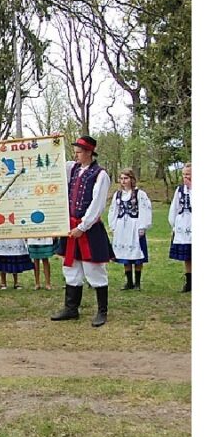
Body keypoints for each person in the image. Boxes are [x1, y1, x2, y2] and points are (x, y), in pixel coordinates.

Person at [52, 135, 114, 327]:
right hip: (71, 228)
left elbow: (97, 204)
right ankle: (71, 309)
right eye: (75, 151)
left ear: (89, 153)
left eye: (79, 152)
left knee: (94, 269)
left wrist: (82, 226)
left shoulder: (100, 175)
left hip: (89, 230)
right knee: (70, 268)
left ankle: (102, 311)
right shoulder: (73, 169)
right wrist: (53, 143)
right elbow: (55, 162)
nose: (76, 155)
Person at [108, 168, 153, 290]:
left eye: (126, 178)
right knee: (125, 255)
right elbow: (113, 210)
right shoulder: (118, 195)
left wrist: (143, 226)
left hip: (135, 225)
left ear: (132, 179)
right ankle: (129, 282)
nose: (123, 181)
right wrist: (113, 225)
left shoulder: (139, 194)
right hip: (122, 226)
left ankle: (137, 283)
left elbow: (145, 210)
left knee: (137, 254)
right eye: (121, 178)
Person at [168, 163, 192, 292]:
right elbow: (175, 207)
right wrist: (174, 224)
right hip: (184, 224)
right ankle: (189, 282)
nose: (185, 177)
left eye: (188, 174)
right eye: (184, 175)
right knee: (187, 255)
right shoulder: (180, 190)